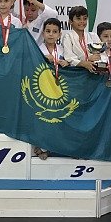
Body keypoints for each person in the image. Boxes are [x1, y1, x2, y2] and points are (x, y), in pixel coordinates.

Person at [34, 17, 69, 160]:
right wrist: (42, 58)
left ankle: (49, 147)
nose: (51, 34)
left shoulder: (63, 51)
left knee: (55, 118)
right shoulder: (37, 50)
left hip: (57, 89)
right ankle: (40, 146)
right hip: (41, 88)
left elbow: (70, 65)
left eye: (54, 32)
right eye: (48, 31)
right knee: (42, 118)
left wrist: (66, 63)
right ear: (43, 33)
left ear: (60, 34)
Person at [61, 5, 102, 72]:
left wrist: (97, 58)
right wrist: (86, 61)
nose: (82, 21)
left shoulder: (93, 36)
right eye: (78, 19)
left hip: (95, 72)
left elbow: (101, 54)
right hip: (78, 74)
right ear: (70, 21)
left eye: (85, 19)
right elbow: (69, 58)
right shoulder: (68, 37)